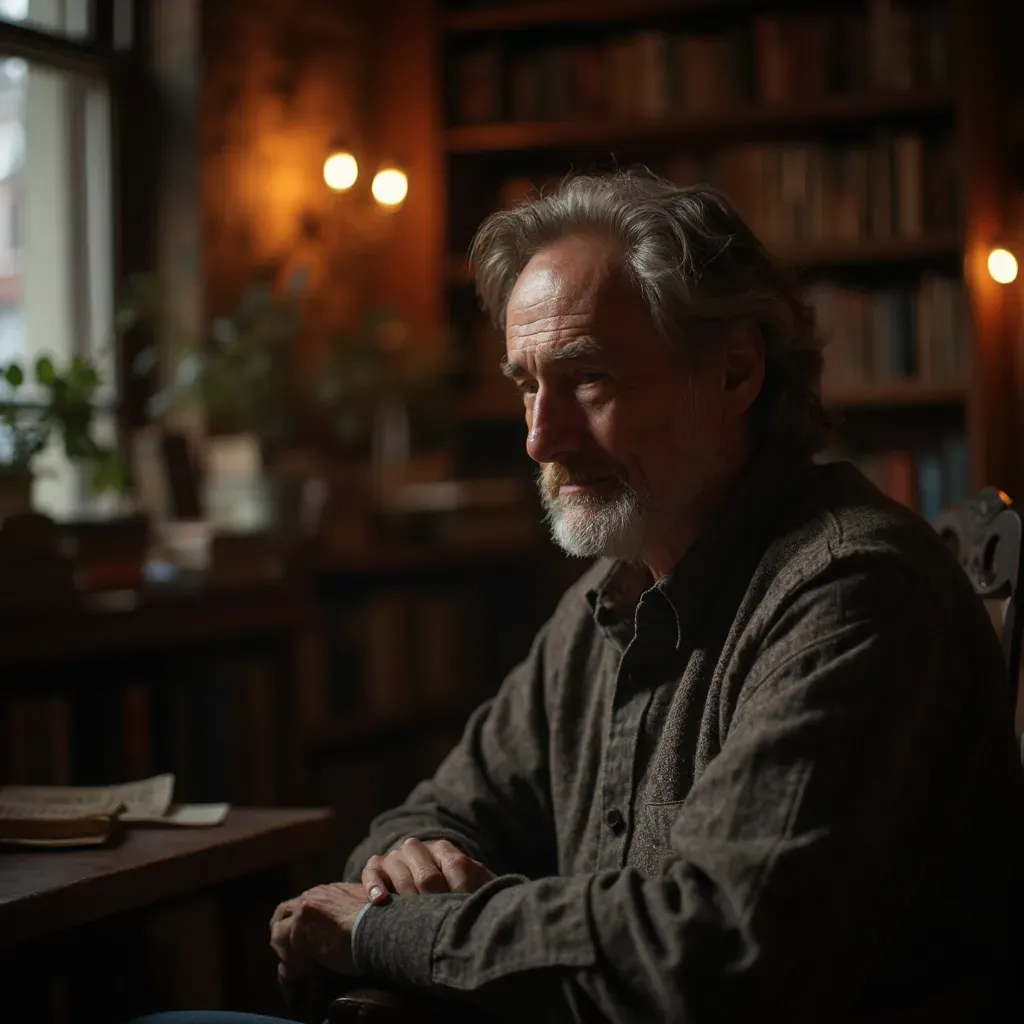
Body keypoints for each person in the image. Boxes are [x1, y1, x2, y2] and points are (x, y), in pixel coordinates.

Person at [140, 172, 1024, 1024]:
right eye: (527, 384)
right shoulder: (611, 596)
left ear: (735, 373)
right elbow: (428, 814)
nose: (538, 438)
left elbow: (706, 957)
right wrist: (406, 871)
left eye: (587, 378)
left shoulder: (853, 594)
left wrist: (386, 929)